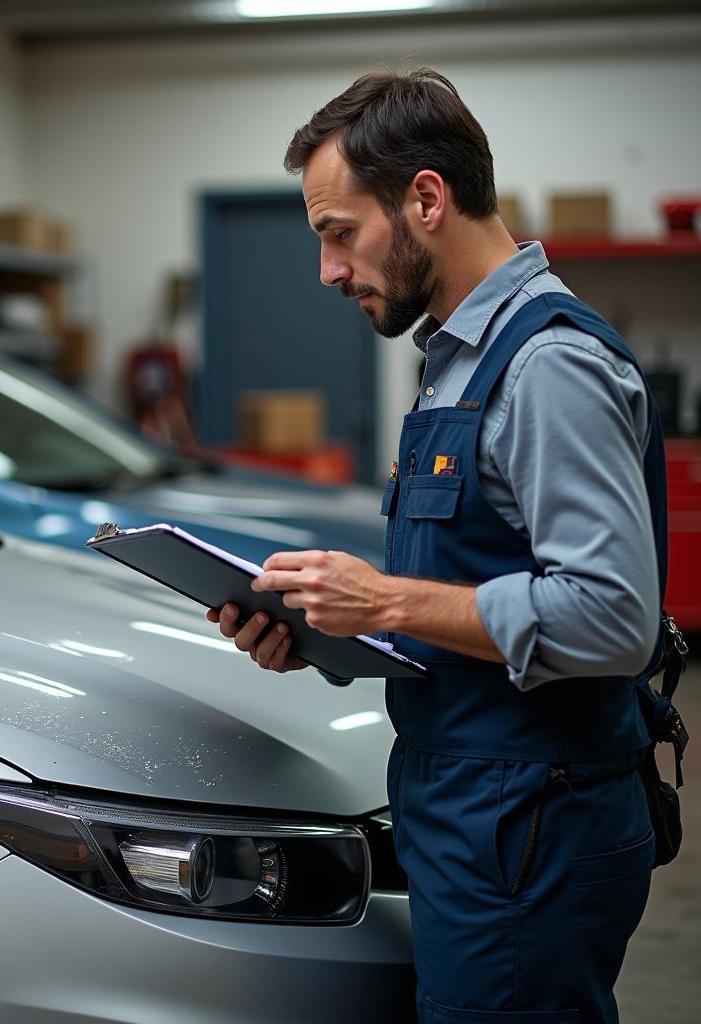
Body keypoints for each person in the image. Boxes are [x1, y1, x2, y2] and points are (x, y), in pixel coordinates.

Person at [206, 68, 668, 1024]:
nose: (329, 270)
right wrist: (328, 637)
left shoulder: (548, 366)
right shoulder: (458, 362)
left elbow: (612, 618)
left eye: (340, 234)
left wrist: (386, 601)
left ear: (425, 197)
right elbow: (469, 590)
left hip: (532, 827)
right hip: (472, 813)